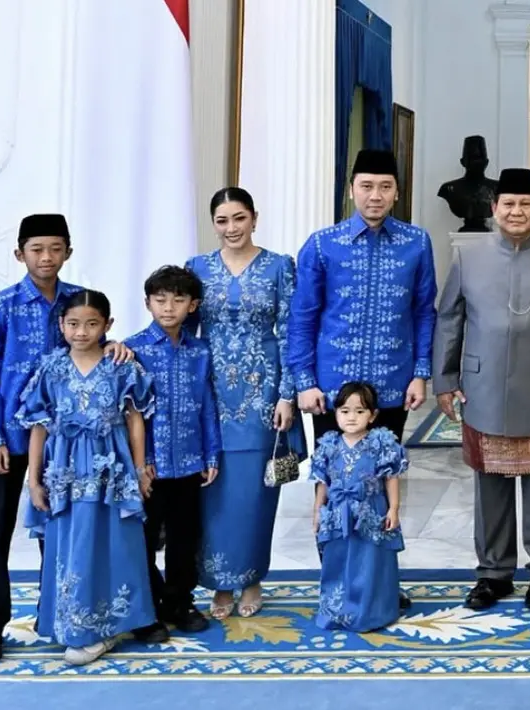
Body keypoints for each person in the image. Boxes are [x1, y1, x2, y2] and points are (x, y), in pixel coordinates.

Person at [0, 214, 133, 664]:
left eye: (55, 248)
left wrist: (116, 345)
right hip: (12, 435)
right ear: (20, 253)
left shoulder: (75, 302)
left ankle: (61, 614)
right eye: (37, 249)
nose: (46, 257)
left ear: (68, 253)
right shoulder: (1, 307)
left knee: (60, 532)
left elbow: (88, 337)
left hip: (65, 443)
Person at [433, 168, 530, 611]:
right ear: (494, 208)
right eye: (508, 204)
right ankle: (494, 571)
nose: (516, 211)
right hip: (482, 386)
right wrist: (445, 379)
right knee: (490, 484)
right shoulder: (469, 257)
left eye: (526, 204)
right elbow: (449, 321)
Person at [19, 290, 157, 665]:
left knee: (111, 542)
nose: (82, 332)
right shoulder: (51, 368)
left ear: (107, 326)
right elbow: (38, 426)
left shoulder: (122, 366)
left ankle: (108, 625)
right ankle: (73, 623)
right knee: (71, 544)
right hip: (64, 470)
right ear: (61, 325)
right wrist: (34, 481)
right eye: (74, 324)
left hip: (109, 468)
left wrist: (141, 469)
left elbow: (135, 420)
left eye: (92, 324)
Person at [187, 187, 305, 620]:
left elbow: (293, 332)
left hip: (263, 396)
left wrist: (288, 394)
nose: (232, 228)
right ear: (213, 223)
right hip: (212, 393)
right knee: (212, 489)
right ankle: (220, 581)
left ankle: (251, 576)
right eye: (222, 220)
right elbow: (180, 327)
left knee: (255, 491)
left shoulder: (279, 267)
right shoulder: (197, 269)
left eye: (239, 218)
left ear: (255, 218)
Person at [289, 149, 437, 442]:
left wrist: (421, 374)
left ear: (397, 192)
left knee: (385, 475)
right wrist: (304, 381)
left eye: (385, 186)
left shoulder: (416, 243)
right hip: (332, 388)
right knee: (333, 478)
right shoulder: (322, 244)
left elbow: (423, 312)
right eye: (366, 186)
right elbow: (302, 317)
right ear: (351, 189)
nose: (375, 196)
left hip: (393, 384)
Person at [126, 266, 222, 638]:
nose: (169, 308)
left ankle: (179, 601)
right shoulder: (131, 350)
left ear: (193, 305)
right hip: (150, 466)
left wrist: (211, 453)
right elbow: (129, 412)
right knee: (144, 539)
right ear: (148, 303)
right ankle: (146, 608)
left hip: (189, 462)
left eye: (178, 300)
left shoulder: (199, 352)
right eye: (160, 300)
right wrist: (140, 464)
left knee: (186, 538)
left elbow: (207, 404)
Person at [312, 382, 407, 633]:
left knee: (370, 561)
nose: (351, 417)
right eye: (344, 411)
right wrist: (317, 512)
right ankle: (338, 610)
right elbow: (322, 483)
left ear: (373, 415)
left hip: (371, 511)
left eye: (359, 411)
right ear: (336, 414)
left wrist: (393, 509)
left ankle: (372, 611)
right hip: (337, 512)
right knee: (338, 560)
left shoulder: (381, 443)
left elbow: (391, 478)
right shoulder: (329, 445)